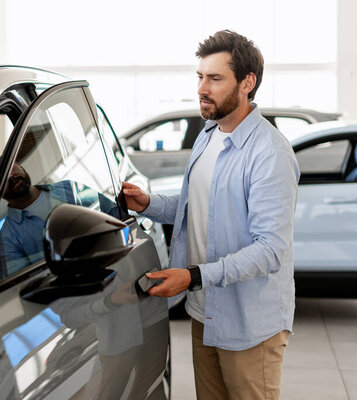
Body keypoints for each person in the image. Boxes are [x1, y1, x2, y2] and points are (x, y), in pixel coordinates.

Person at [122, 30, 300, 400]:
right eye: (200, 77)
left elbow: (269, 250)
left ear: (247, 83)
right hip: (205, 311)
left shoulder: (270, 153)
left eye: (215, 78)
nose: (202, 88)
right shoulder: (208, 135)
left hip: (249, 323)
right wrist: (149, 203)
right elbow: (195, 206)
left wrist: (192, 276)